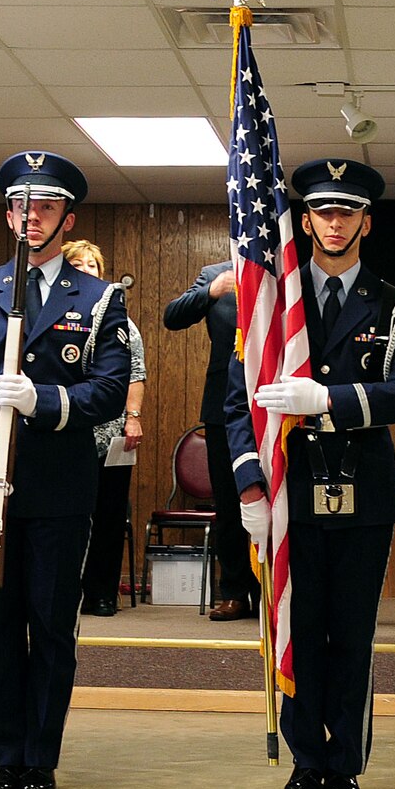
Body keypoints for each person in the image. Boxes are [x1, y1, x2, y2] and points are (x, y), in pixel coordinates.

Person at [225, 158, 395, 789]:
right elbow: (238, 404)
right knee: (299, 627)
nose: (334, 223)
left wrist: (329, 398)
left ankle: (343, 760)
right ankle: (304, 760)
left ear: (366, 223)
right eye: (323, 212)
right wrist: (250, 484)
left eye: (348, 212)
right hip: (291, 490)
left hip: (362, 492)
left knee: (351, 634)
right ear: (305, 220)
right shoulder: (272, 303)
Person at [0, 151, 131, 789]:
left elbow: (109, 389)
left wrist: (43, 402)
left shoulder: (100, 299)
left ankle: (39, 757)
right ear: (7, 214)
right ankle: (3, 753)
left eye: (44, 206)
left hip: (59, 486)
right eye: (21, 205)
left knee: (50, 624)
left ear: (66, 218)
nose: (30, 217)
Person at [163, 261, 258, 621]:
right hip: (223, 406)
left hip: (278, 402)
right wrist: (212, 290)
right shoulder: (214, 273)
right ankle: (234, 592)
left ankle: (273, 593)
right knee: (230, 505)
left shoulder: (287, 272)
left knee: (278, 500)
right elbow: (173, 316)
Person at [64, 238, 145, 617]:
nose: (85, 272)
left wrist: (132, 417)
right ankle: (69, 590)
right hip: (67, 433)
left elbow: (136, 374)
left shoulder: (118, 319)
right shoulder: (52, 316)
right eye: (76, 265)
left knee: (110, 516)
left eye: (91, 266)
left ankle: (102, 593)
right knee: (69, 516)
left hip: (113, 434)